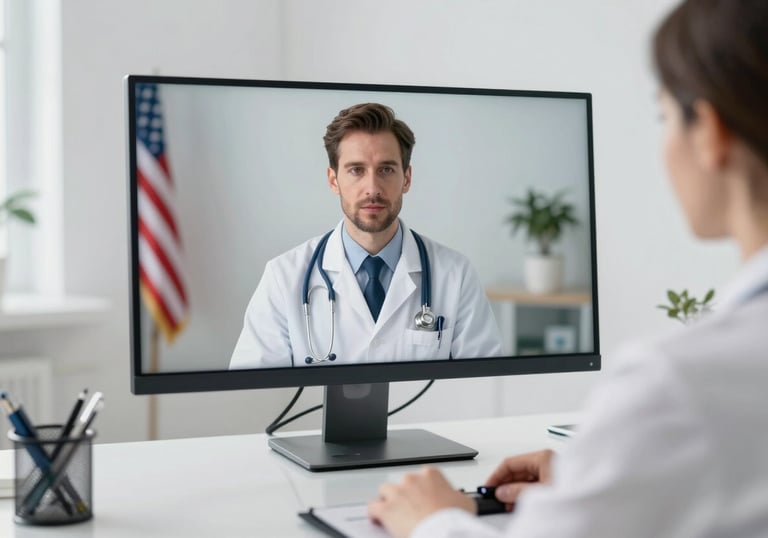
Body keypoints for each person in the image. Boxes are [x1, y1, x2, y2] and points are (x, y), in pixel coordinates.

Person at [367, 0, 768, 536]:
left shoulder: (681, 386)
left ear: (710, 132)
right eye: (355, 169)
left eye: (664, 116)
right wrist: (606, 482)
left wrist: (434, 521)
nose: (372, 186)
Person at [230, 103, 503, 369]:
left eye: (386, 170)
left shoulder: (455, 274)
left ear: (406, 178)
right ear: (333, 179)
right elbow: (252, 393)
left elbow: (486, 383)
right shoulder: (284, 277)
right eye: (356, 170)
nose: (372, 188)